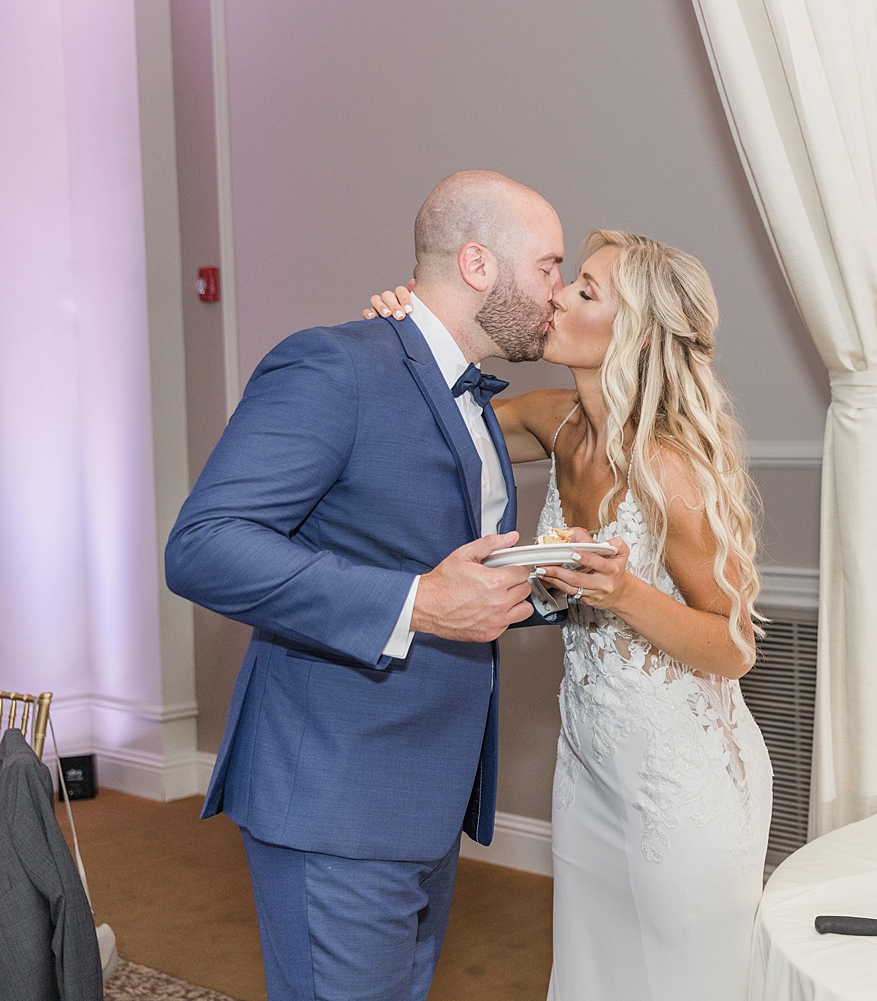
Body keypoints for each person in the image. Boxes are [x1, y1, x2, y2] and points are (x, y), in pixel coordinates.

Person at [165, 169, 568, 1001]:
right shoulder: (335, 365)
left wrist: (550, 588)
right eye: (549, 266)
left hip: (421, 796)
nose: (557, 293)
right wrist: (413, 601)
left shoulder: (471, 393)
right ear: (478, 264)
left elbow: (450, 571)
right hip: (335, 799)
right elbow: (203, 545)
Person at [364, 230, 773, 1000]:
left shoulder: (670, 469)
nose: (555, 295)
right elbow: (441, 411)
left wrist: (623, 592)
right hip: (587, 768)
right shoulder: (557, 424)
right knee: (595, 977)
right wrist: (404, 331)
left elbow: (736, 644)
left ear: (634, 334)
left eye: (584, 290)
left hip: (682, 785)